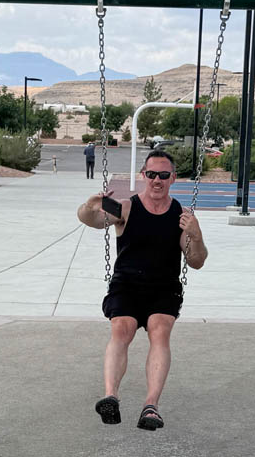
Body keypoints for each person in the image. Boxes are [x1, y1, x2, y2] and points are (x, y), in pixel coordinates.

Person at [77, 150, 207, 430]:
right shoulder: (125, 208)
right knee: (121, 328)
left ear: (173, 178)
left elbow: (196, 261)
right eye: (151, 174)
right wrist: (90, 204)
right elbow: (90, 219)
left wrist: (196, 235)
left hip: (164, 287)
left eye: (163, 175)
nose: (157, 180)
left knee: (160, 330)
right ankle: (111, 397)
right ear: (143, 176)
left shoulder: (182, 217)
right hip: (127, 284)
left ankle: (151, 406)